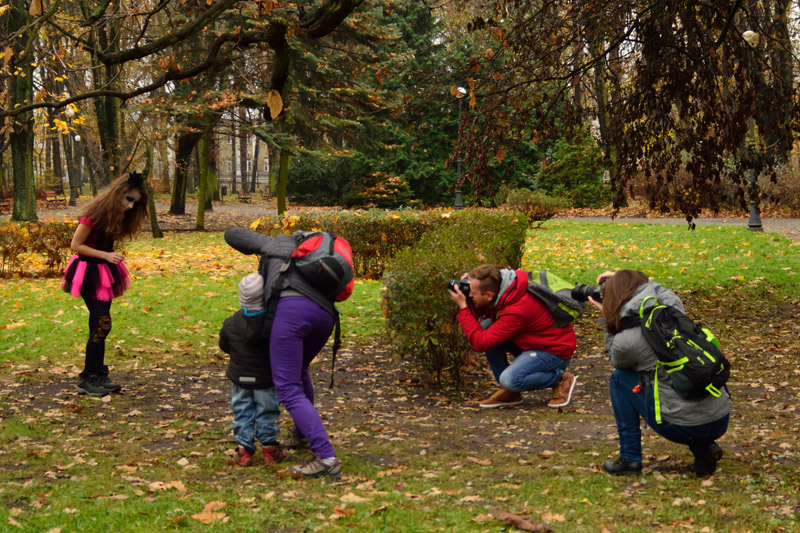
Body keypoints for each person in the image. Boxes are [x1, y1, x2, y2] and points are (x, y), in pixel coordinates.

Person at [224, 227, 350, 479]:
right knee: (299, 372)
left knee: (288, 387)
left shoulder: (279, 243)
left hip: (292, 313)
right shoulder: (313, 258)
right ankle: (303, 434)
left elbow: (231, 233)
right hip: (324, 316)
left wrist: (268, 243)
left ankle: (326, 457)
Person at [589, 269, 730, 477]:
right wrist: (625, 279)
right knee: (676, 381)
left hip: (681, 426)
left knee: (619, 379)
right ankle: (704, 450)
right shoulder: (673, 309)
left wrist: (608, 316)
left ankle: (629, 460)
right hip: (720, 418)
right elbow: (658, 289)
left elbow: (614, 359)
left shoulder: (628, 339)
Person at [61, 172, 149, 397]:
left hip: (103, 272)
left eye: (135, 203)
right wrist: (106, 255)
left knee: (99, 323)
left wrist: (108, 256)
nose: (130, 206)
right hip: (87, 271)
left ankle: (98, 374)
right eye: (128, 199)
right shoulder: (94, 214)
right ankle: (87, 378)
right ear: (118, 193)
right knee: (102, 323)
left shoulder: (116, 214)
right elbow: (76, 245)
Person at [449, 264, 578, 409]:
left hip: (553, 351)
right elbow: (485, 309)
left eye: (472, 292)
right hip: (530, 341)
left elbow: (480, 343)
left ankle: (560, 378)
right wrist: (471, 283)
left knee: (510, 379)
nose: (470, 295)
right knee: (487, 325)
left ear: (489, 295)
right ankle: (510, 393)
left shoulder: (518, 309)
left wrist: (463, 307)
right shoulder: (506, 286)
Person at [220, 272, 289, 467]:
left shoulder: (230, 323)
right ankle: (269, 449)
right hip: (265, 379)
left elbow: (224, 346)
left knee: (242, 411)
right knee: (267, 411)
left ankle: (243, 451)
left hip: (240, 379)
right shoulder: (274, 323)